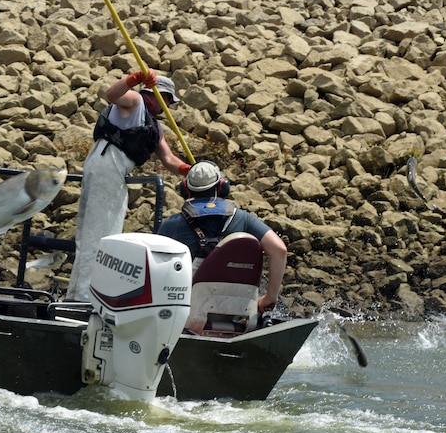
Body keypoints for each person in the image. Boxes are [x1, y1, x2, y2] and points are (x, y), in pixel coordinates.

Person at [66, 69, 192, 301]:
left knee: (103, 232)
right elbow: (111, 94)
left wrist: (187, 170)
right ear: (158, 95)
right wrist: (134, 79)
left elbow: (168, 159)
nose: (169, 107)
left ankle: (76, 294)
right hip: (107, 163)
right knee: (99, 234)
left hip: (116, 172)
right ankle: (84, 299)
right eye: (168, 101)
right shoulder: (135, 101)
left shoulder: (155, 126)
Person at [157, 160, 287, 315]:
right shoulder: (243, 219)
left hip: (188, 313)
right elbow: (280, 250)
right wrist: (270, 298)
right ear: (222, 186)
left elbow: (155, 269)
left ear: (185, 189)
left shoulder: (172, 224)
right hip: (240, 314)